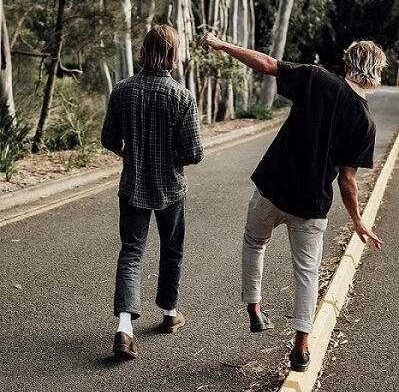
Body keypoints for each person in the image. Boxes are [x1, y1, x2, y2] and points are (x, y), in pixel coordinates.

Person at [201, 34, 385, 372]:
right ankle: (301, 348)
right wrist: (358, 221)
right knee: (306, 274)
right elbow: (347, 180)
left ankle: (254, 308)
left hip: (273, 187)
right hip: (311, 205)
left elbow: (268, 65)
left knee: (254, 242)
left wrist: (222, 45)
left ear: (347, 61)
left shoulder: (317, 79)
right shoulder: (366, 123)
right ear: (376, 73)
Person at [101, 25, 203, 359]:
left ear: (144, 51)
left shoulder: (122, 90)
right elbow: (193, 154)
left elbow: (109, 140)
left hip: (132, 185)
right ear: (173, 55)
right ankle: (171, 314)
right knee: (172, 249)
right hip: (171, 187)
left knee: (131, 253)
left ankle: (124, 329)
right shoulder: (182, 97)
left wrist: (131, 156)